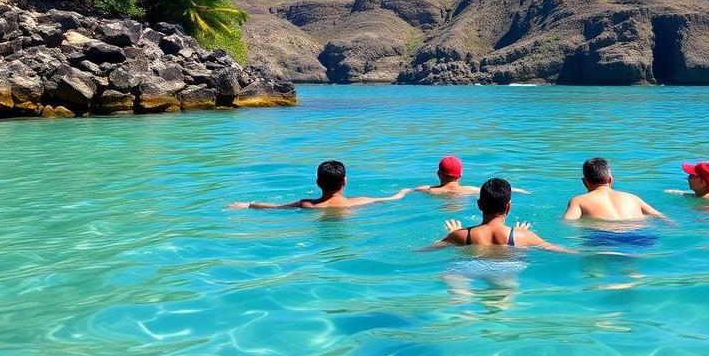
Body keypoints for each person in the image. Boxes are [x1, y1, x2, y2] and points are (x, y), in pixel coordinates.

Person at [426, 178, 571, 251]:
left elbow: (426, 250)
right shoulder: (524, 237)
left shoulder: (461, 235)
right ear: (508, 207)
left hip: (472, 266)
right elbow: (558, 250)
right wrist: (519, 234)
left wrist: (453, 233)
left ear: (479, 205)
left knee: (453, 277)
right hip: (508, 267)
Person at [229, 160, 411, 210]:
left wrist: (249, 204)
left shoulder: (307, 205)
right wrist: (404, 191)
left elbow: (275, 207)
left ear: (318, 183)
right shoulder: (360, 202)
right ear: (344, 182)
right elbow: (391, 199)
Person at [561, 157, 670, 223]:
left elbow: (567, 222)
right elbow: (662, 217)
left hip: (605, 238)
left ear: (584, 182)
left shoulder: (578, 200)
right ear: (610, 179)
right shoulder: (633, 198)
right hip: (640, 237)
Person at [415, 156, 531, 196]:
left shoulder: (429, 190)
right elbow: (495, 190)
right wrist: (517, 190)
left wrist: (398, 195)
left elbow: (407, 190)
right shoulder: (469, 190)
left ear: (438, 174)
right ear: (460, 175)